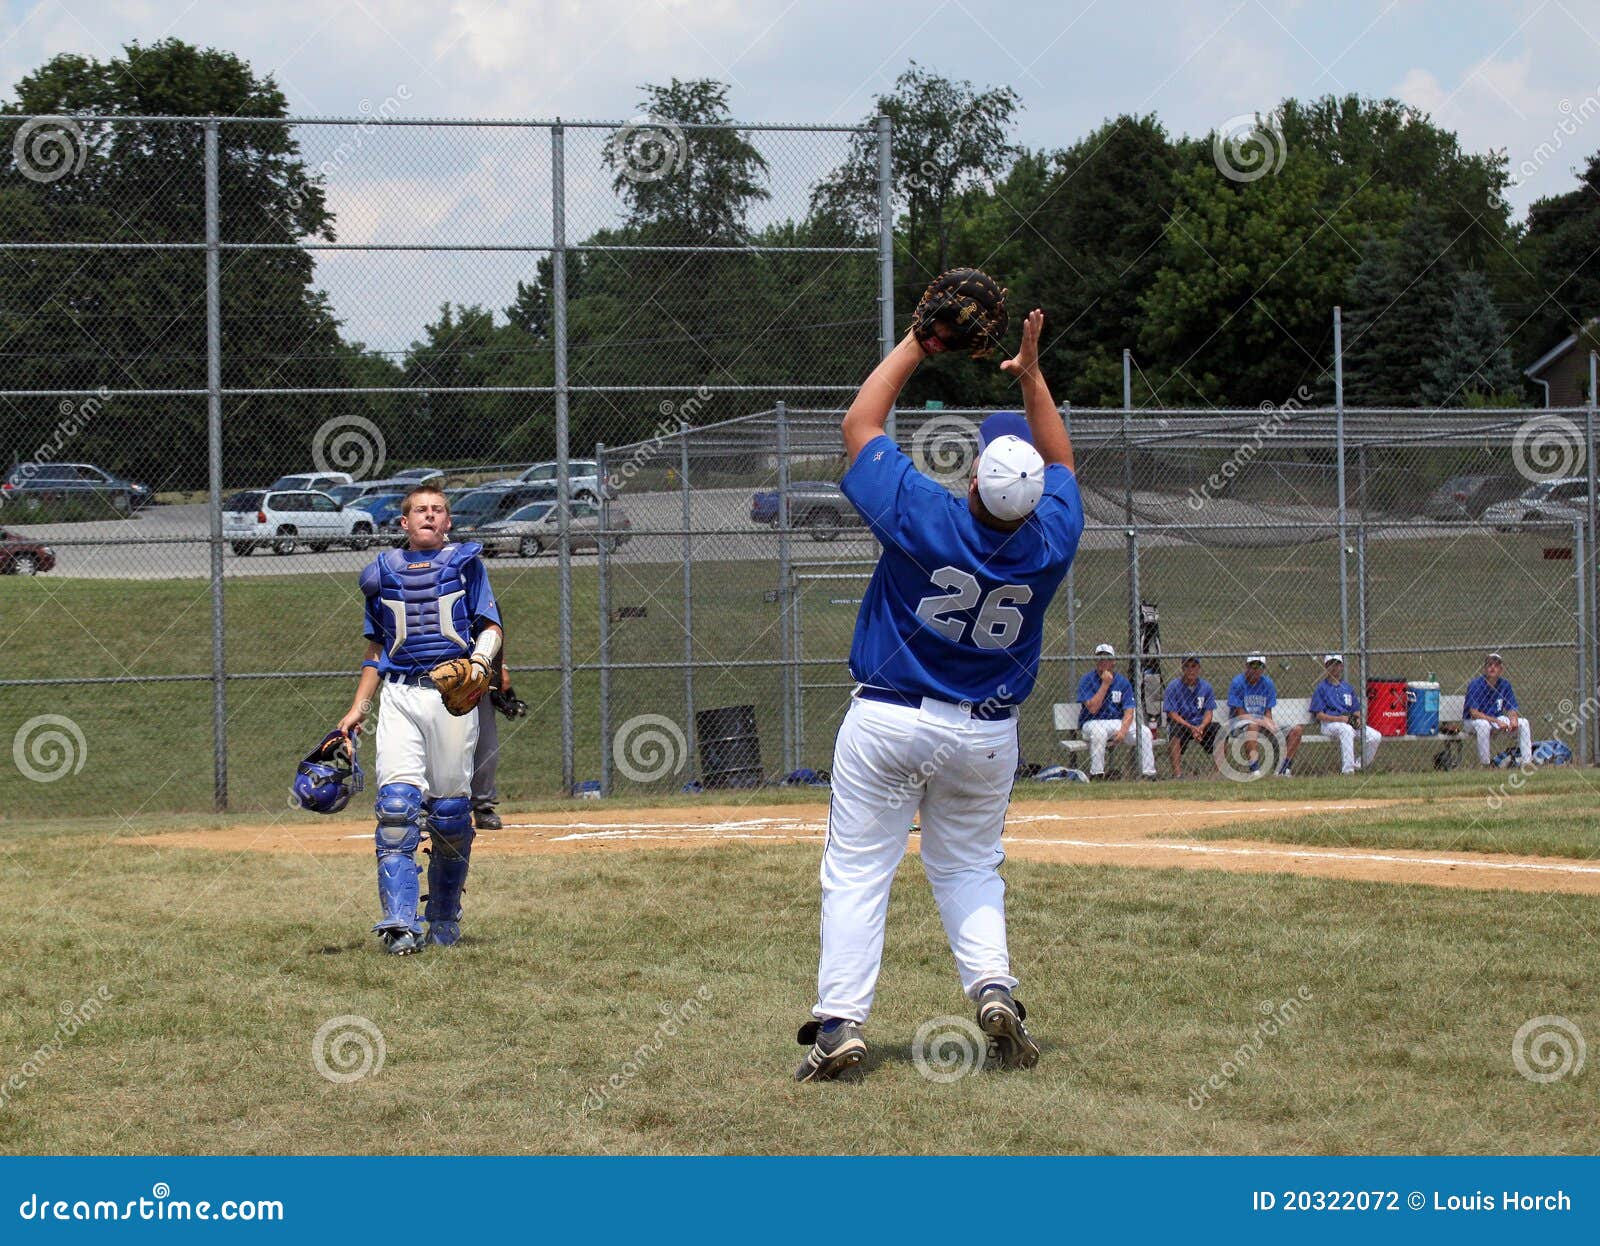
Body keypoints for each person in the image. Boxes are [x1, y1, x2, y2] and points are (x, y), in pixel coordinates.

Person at [796, 307, 1084, 1083]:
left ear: (970, 479)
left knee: (859, 871)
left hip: (891, 719)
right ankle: (994, 989)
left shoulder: (926, 516)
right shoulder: (1052, 540)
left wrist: (921, 346)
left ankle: (840, 1025)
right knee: (968, 869)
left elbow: (859, 422)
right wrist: (1033, 378)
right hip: (988, 736)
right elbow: (1062, 468)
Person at [337, 486, 503, 955]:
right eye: (420, 510)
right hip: (399, 695)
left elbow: (490, 627)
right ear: (404, 523)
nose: (430, 516)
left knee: (450, 813)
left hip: (451, 699)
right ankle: (399, 923)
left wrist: (480, 663)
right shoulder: (381, 575)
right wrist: (357, 709)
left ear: (448, 522)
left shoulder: (467, 565)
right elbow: (375, 652)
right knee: (395, 809)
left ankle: (444, 916)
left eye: (438, 510)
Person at [1076, 643, 1157, 780]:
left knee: (1145, 732)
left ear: (1113, 661)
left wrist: (1123, 731)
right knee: (1099, 732)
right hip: (1092, 722)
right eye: (1100, 658)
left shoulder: (1122, 682)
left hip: (1118, 722)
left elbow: (1129, 711)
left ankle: (1148, 774)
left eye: (1107, 658)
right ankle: (1097, 774)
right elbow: (1093, 708)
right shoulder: (1087, 680)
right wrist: (1105, 684)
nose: (1103, 661)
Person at [471, 651, 527, 830]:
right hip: (445, 678)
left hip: (481, 680)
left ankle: (483, 806)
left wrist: (501, 668)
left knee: (487, 748)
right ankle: (430, 807)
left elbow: (495, 632)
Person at [1225, 654, 1302, 777]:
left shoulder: (1267, 683)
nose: (1256, 669)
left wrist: (1270, 725)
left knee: (1296, 730)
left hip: (1261, 723)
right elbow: (1240, 714)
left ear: (1263, 668)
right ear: (1246, 667)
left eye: (1259, 666)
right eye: (1253, 665)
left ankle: (1283, 770)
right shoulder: (1237, 682)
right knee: (1253, 726)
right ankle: (1254, 770)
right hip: (1240, 724)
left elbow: (1267, 712)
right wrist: (1262, 722)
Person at [1309, 653, 1379, 774]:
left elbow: (1356, 710)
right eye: (1331, 664)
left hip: (1348, 722)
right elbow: (1319, 715)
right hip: (1329, 725)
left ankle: (1359, 765)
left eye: (1337, 664)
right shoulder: (1321, 688)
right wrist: (1340, 719)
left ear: (1342, 667)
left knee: (1375, 736)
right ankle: (1348, 771)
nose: (1335, 668)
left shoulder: (1347, 687)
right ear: (1326, 667)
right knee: (1346, 730)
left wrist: (1357, 719)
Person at [1463, 651, 1533, 767]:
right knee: (1483, 725)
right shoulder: (1475, 685)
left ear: (1501, 670)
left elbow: (1511, 708)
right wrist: (1496, 721)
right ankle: (1485, 765)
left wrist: (1513, 719)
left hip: (1496, 720)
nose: (1492, 668)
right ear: (1485, 669)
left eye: (1496, 665)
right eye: (1489, 665)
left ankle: (1526, 762)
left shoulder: (1505, 685)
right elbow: (1474, 713)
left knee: (1524, 723)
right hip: (1473, 722)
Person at [1162, 655, 1218, 778]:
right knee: (1175, 730)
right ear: (1182, 668)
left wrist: (1201, 726)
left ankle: (1217, 774)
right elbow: (1172, 713)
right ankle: (1178, 774)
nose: (1190, 670)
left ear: (1199, 668)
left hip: (1200, 726)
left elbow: (1209, 712)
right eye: (1187, 666)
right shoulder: (1173, 686)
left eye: (1194, 666)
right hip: (1183, 725)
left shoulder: (1206, 687)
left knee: (1220, 730)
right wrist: (1190, 727)